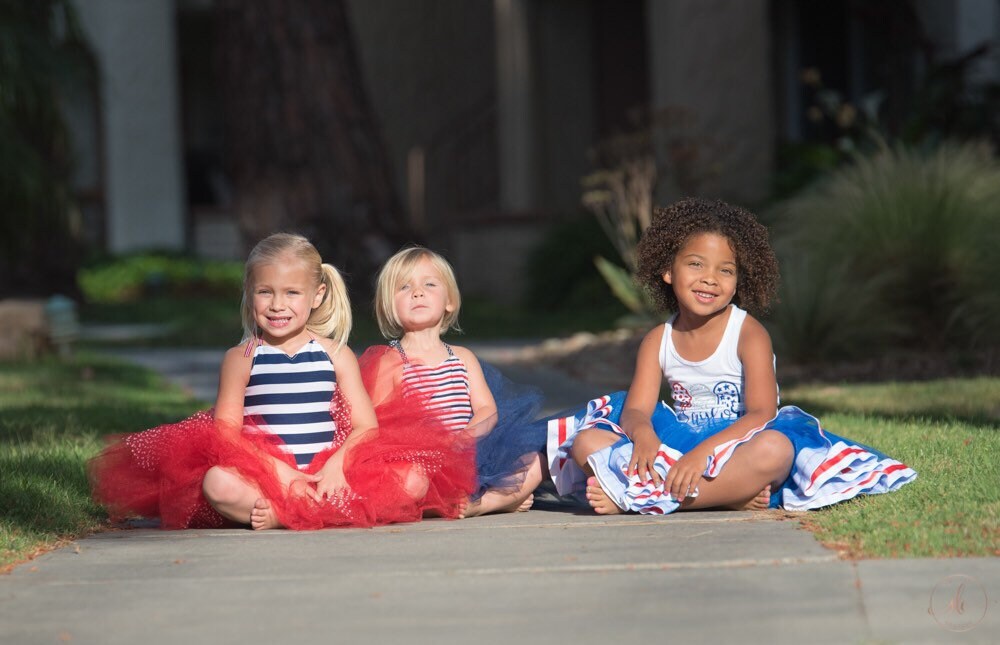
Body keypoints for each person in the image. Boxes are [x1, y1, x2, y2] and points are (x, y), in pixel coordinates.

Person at [548, 198, 916, 515]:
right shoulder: (657, 340)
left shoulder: (748, 333)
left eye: (725, 271)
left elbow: (761, 413)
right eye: (696, 264)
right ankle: (727, 496)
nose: (710, 278)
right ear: (666, 271)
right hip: (679, 439)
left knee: (776, 450)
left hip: (737, 442)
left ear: (739, 282)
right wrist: (643, 437)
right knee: (587, 441)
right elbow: (638, 409)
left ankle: (639, 500)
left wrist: (702, 456)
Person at [89, 233, 475, 530]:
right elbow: (225, 434)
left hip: (332, 471)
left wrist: (338, 467)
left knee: (414, 479)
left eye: (292, 293)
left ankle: (307, 510)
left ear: (317, 295)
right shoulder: (241, 358)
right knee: (217, 484)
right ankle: (284, 512)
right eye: (265, 292)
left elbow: (365, 425)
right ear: (249, 294)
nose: (277, 305)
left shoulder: (335, 353)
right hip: (267, 472)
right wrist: (281, 474)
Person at [358, 246, 546, 517]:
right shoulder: (390, 360)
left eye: (429, 284)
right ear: (389, 305)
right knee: (411, 483)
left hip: (471, 455)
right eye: (404, 287)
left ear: (449, 301)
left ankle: (485, 502)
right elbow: (383, 424)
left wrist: (465, 438)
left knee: (536, 461)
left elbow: (486, 410)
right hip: (421, 462)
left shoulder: (462, 357)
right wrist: (429, 448)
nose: (417, 292)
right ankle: (462, 503)